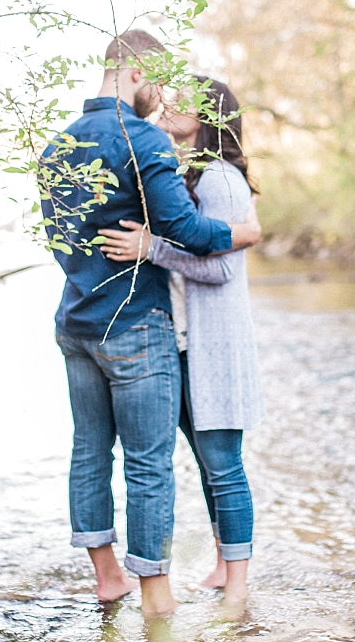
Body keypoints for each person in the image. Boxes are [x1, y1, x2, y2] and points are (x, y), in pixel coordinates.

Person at [39, 32, 261, 618]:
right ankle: (157, 600)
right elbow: (186, 231)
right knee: (147, 464)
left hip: (77, 319)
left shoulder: (57, 146)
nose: (164, 98)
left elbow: (61, 242)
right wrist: (242, 234)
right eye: (160, 81)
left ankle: (107, 576)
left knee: (89, 450)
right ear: (138, 72)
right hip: (136, 323)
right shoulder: (143, 142)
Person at [98, 80, 263, 609]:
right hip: (187, 343)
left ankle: (237, 585)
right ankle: (221, 567)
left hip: (215, 347)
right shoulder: (189, 173)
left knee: (223, 465)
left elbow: (219, 269)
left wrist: (153, 249)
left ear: (210, 118)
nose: (170, 105)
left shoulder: (219, 177)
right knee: (206, 463)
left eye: (185, 101)